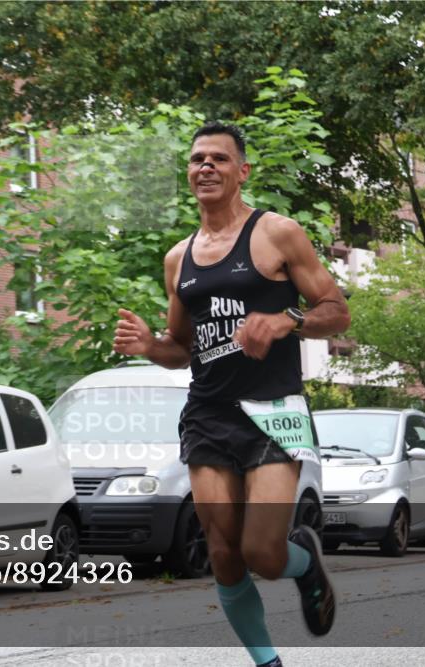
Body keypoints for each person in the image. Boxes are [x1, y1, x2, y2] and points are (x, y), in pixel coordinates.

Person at [113, 121, 350, 666]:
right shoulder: (179, 259)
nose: (206, 167)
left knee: (262, 554)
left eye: (219, 159)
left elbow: (337, 312)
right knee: (223, 553)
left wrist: (287, 319)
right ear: (189, 173)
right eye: (198, 159)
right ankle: (268, 663)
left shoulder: (277, 234)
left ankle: (305, 564)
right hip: (209, 415)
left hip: (276, 411)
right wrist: (150, 345)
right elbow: (182, 347)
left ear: (242, 172)